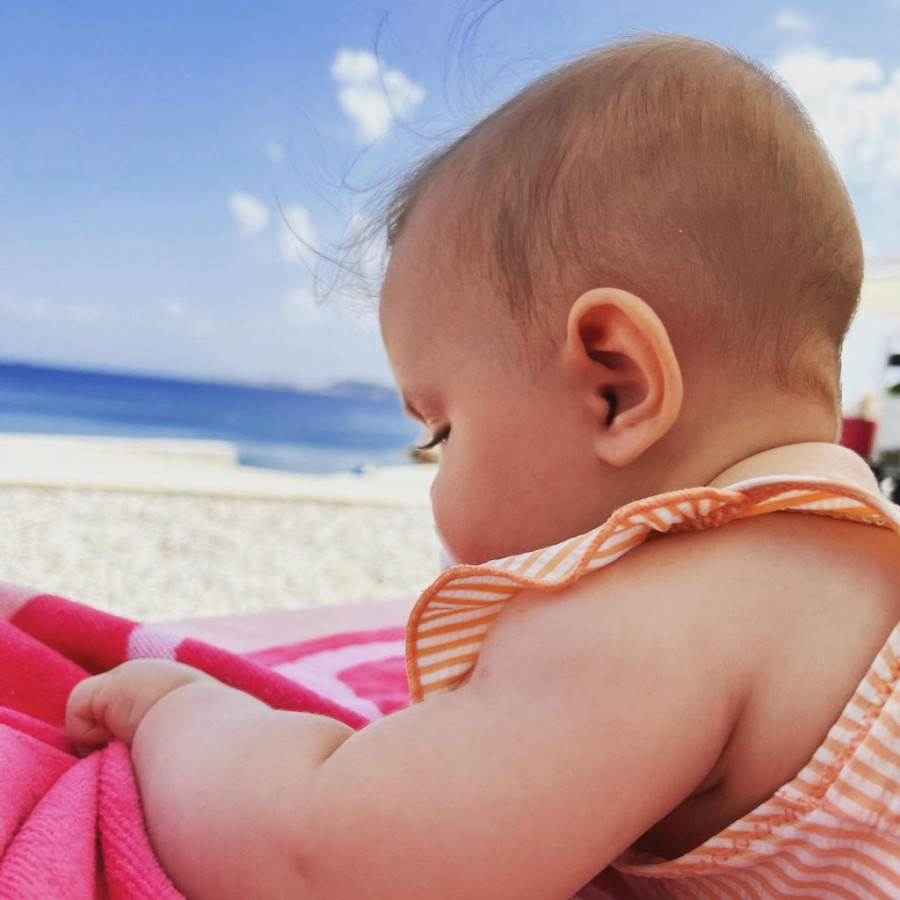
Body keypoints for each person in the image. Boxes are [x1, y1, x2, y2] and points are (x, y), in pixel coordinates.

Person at [66, 35, 900, 899]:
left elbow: (320, 855)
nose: (434, 477)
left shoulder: (653, 624)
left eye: (442, 432)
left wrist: (178, 713)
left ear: (615, 388)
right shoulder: (843, 572)